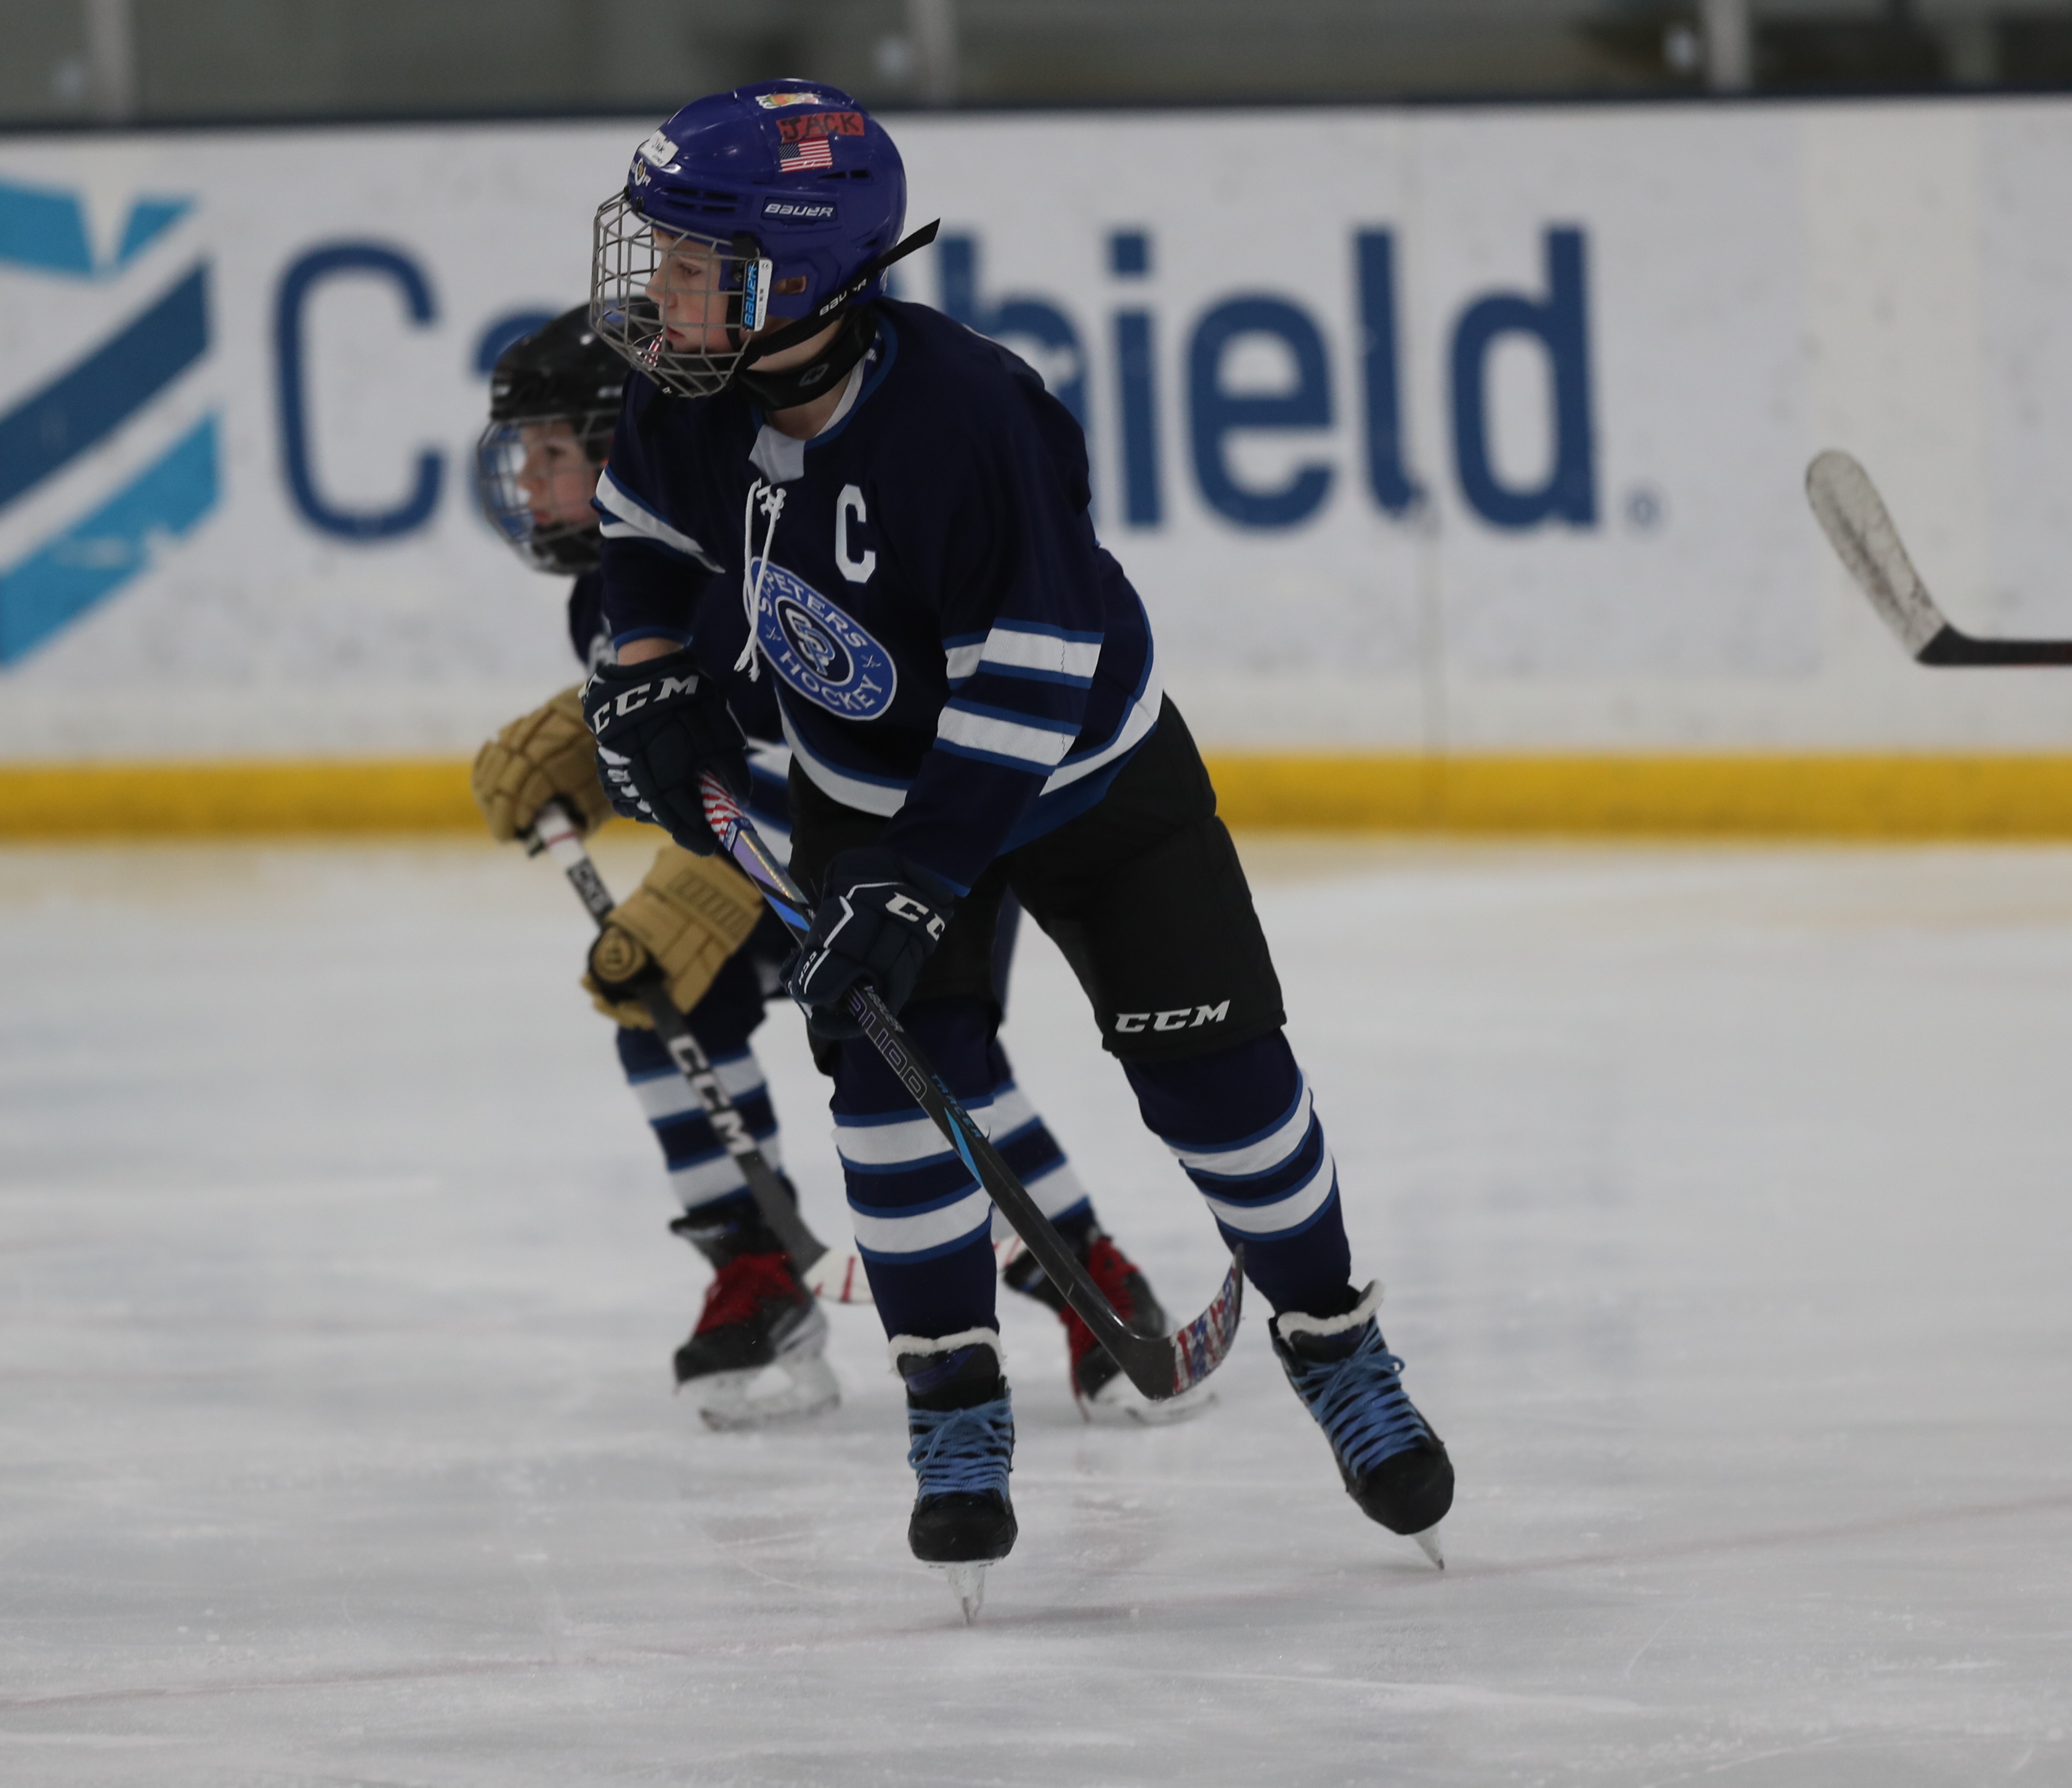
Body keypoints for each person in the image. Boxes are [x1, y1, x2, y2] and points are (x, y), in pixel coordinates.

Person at [577, 82, 1453, 1591]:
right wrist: (646, 673)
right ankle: (954, 1404)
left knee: (1220, 1084)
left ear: (803, 273)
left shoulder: (974, 417)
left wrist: (920, 882)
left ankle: (1335, 1342)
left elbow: (1032, 679)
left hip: (1091, 786)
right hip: (864, 794)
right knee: (885, 1091)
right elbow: (641, 543)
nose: (662, 291)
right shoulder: (686, 394)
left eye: (698, 262)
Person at [466, 306, 1198, 1431]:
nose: (532, 482)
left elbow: (811, 737)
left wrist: (716, 878)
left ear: (620, 442)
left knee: (928, 1058)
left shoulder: (749, 540)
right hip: (780, 856)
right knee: (660, 1003)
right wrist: (600, 731)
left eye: (555, 453)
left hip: (914, 837)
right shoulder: (617, 585)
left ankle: (1088, 1277)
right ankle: (758, 1272)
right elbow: (699, 730)